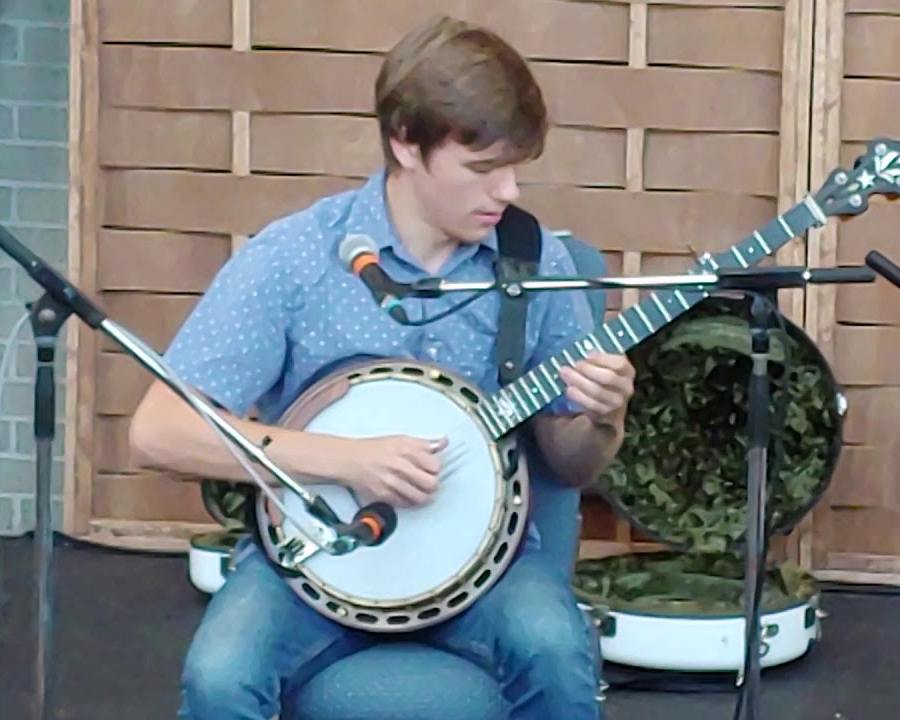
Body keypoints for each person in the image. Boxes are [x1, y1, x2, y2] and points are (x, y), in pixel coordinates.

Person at [128, 16, 634, 720]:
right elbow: (157, 432)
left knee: (555, 650)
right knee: (220, 678)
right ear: (406, 143)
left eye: (518, 167)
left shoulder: (533, 262)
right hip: (317, 561)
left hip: (489, 565)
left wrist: (604, 416)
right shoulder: (299, 256)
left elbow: (571, 465)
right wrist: (343, 460)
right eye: (483, 169)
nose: (509, 191)